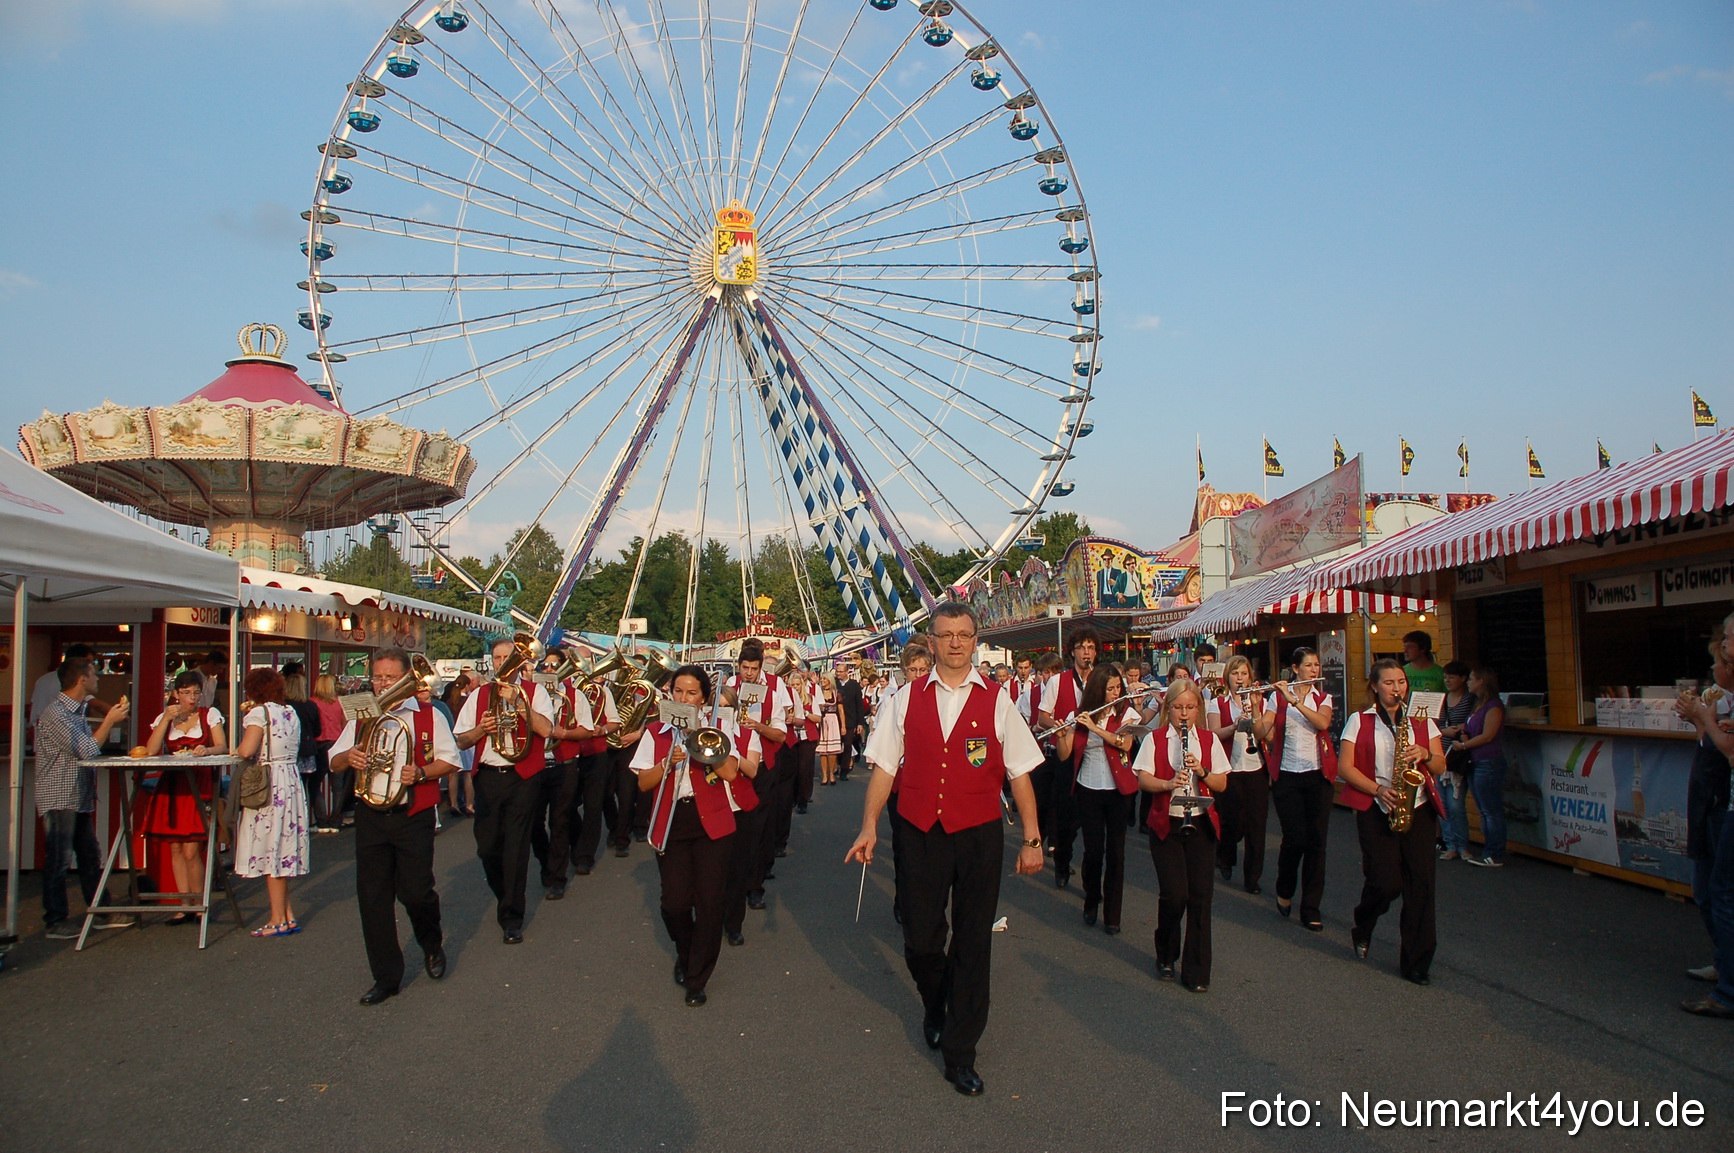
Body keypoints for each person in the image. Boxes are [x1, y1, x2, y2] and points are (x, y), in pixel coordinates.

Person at [846, 602, 1045, 1098]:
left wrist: (1032, 838)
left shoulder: (998, 700)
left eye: (964, 634)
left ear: (975, 641)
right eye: (946, 634)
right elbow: (884, 767)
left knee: (973, 941)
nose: (956, 642)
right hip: (920, 831)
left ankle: (961, 1052)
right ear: (931, 641)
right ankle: (935, 1004)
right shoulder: (904, 698)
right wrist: (869, 825)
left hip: (978, 834)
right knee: (921, 940)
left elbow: (1020, 772)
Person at [329, 648, 462, 1005]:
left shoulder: (428, 714)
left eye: (390, 677)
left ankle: (431, 943)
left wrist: (421, 772)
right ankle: (386, 977)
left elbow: (450, 761)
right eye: (378, 677)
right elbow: (335, 761)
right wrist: (349, 757)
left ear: (406, 678)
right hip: (371, 815)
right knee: (373, 898)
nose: (383, 684)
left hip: (411, 814)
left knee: (416, 892)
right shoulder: (363, 714)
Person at [632, 665, 742, 1007]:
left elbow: (731, 773)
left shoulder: (719, 727)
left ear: (703, 698)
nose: (683, 698)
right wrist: (666, 763)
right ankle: (686, 952)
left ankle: (697, 977)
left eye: (692, 693)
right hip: (672, 821)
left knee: (710, 903)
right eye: (678, 691)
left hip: (712, 822)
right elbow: (643, 783)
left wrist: (700, 740)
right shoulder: (656, 731)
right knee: (675, 903)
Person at [1338, 659, 1446, 985]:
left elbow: (1440, 765)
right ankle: (1364, 921)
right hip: (1377, 807)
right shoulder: (1360, 720)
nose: (1396, 689)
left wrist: (1425, 754)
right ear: (1374, 686)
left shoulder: (1421, 721)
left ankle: (1416, 963)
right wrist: (1378, 790)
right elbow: (1345, 768)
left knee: (1421, 885)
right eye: (1388, 683)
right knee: (1385, 883)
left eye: (1401, 682)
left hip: (1419, 808)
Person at [454, 638, 555, 944]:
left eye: (507, 657)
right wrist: (481, 730)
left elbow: (547, 730)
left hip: (523, 776)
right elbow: (461, 740)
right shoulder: (479, 695)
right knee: (487, 847)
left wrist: (520, 705)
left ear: (520, 661)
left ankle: (511, 917)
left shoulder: (535, 692)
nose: (502, 663)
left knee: (516, 846)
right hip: (488, 777)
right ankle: (505, 895)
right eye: (497, 658)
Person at [1136, 679, 1229, 991]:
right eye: (1178, 707)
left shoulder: (1208, 740)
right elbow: (1143, 780)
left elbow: (1221, 784)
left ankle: (1197, 973)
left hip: (1201, 824)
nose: (1184, 713)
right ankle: (1166, 952)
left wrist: (1202, 771)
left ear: (1198, 709)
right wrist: (1168, 783)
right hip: (1168, 824)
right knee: (1175, 895)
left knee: (1201, 898)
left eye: (1190, 707)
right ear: (1168, 708)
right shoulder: (1156, 739)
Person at [36, 657, 133, 938]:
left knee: (90, 855)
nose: (98, 678)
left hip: (76, 794)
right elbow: (87, 749)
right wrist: (110, 721)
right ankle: (55, 920)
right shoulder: (57, 714)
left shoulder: (75, 711)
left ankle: (100, 909)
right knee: (59, 858)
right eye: (94, 674)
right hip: (59, 795)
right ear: (82, 679)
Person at [1253, 647, 1334, 932]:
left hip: (1318, 776)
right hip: (1287, 775)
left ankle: (1311, 907)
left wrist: (1296, 702)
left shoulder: (1323, 698)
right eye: (1308, 665)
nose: (1314, 670)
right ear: (1295, 669)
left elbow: (1323, 723)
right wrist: (1256, 707)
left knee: (1317, 843)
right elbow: (1262, 732)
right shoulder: (1277, 697)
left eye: (1316, 665)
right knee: (1294, 839)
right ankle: (1285, 888)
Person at [1057, 662, 1139, 934]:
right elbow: (1065, 755)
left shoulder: (1127, 712)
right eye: (1110, 689)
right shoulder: (1079, 714)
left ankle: (1113, 915)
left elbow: (1124, 743)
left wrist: (1095, 728)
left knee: (1116, 852)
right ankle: (1091, 899)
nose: (1116, 693)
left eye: (1118, 688)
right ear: (1097, 690)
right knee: (1093, 851)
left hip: (1118, 791)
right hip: (1088, 788)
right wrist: (1063, 735)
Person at [1677, 631, 1734, 1018]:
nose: (1713, 667)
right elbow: (1711, 744)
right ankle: (1724, 962)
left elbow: (1727, 751)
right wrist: (1699, 721)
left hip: (1721, 803)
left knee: (1722, 892)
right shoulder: (1719, 701)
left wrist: (1702, 717)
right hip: (1709, 800)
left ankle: (1728, 986)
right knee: (1708, 888)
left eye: (1719, 659)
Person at [140, 670, 226, 923]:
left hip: (199, 784)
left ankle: (199, 903)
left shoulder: (209, 715)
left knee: (191, 849)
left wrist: (207, 750)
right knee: (175, 847)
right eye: (187, 693)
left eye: (196, 693)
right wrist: (166, 719)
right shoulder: (165, 718)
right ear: (176, 694)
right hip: (172, 784)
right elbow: (151, 750)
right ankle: (184, 903)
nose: (192, 698)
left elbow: (222, 746)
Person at [234, 667, 311, 938]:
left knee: (271, 849)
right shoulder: (290, 712)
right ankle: (287, 915)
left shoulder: (259, 713)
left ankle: (277, 919)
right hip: (290, 780)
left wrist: (236, 749)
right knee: (283, 848)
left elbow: (247, 750)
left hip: (269, 783)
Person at [726, 640, 790, 915]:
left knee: (758, 828)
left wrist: (758, 727)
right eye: (745, 668)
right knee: (733, 827)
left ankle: (754, 887)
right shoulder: (729, 686)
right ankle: (732, 883)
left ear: (761, 667)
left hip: (762, 766)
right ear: (738, 666)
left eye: (753, 669)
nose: (749, 673)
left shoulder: (774, 690)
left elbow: (781, 734)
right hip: (732, 765)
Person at [1036, 626, 1098, 890]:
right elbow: (1042, 717)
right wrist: (1061, 726)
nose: (1086, 652)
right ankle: (1062, 862)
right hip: (1065, 754)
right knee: (1065, 817)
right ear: (1072, 652)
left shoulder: (1101, 679)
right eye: (1082, 647)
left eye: (1091, 647)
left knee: (1089, 819)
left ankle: (1090, 876)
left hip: (1094, 753)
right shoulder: (1057, 682)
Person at [536, 665, 604, 901]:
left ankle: (557, 877)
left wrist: (563, 734)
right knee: (533, 824)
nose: (550, 669)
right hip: (535, 766)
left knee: (560, 822)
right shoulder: (531, 694)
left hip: (564, 765)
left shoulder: (575, 696)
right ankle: (547, 863)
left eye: (556, 666)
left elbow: (586, 730)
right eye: (546, 665)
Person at [1206, 655, 1269, 895]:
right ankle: (1225, 855)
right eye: (1235, 674)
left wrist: (1255, 710)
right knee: (1232, 821)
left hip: (1255, 768)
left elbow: (1263, 734)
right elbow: (1213, 734)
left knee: (1257, 826)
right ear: (1227, 678)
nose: (1239, 679)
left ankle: (1252, 878)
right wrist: (1234, 725)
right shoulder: (1218, 703)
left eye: (1244, 674)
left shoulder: (1259, 701)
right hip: (1229, 769)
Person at [565, 671, 620, 873]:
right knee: (567, 806)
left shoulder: (602, 691)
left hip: (595, 754)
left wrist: (603, 730)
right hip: (568, 754)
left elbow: (614, 721)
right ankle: (577, 843)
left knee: (593, 806)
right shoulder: (562, 691)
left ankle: (585, 856)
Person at [1455, 665, 1508, 867]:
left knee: (1491, 810)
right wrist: (1463, 733)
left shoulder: (1494, 706)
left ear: (1481, 681)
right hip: (1475, 760)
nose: (1468, 683)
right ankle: (1489, 849)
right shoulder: (1478, 705)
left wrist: (1464, 745)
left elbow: (1488, 735)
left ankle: (1495, 853)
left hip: (1488, 761)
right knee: (1483, 809)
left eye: (1471, 679)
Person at [1433, 661, 1476, 861]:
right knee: (1442, 804)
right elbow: (1433, 726)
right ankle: (1450, 845)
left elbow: (1475, 722)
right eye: (1445, 676)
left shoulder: (1470, 699)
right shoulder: (1442, 699)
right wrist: (1444, 731)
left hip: (1458, 757)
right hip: (1441, 755)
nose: (1447, 680)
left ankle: (1463, 846)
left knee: (1456, 805)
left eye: (1451, 676)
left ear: (1463, 678)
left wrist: (1462, 729)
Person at [312, 673, 350, 832]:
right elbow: (345, 725)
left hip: (320, 744)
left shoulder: (313, 703)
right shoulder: (340, 703)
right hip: (337, 743)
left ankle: (321, 821)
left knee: (315, 785)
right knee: (338, 786)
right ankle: (336, 820)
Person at [440, 675, 478, 818]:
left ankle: (454, 804)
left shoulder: (449, 701)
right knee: (468, 774)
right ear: (466, 686)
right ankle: (469, 805)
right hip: (466, 738)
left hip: (452, 739)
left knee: (453, 774)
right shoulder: (467, 701)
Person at [837, 662, 865, 782]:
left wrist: (860, 723)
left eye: (841, 671)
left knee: (847, 745)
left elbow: (859, 705)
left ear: (846, 672)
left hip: (850, 720)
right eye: (837, 671)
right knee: (837, 745)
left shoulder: (854, 685)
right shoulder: (835, 684)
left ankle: (844, 770)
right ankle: (837, 765)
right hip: (836, 720)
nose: (838, 674)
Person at [816, 674, 844, 786]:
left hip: (833, 720)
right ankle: (824, 775)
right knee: (822, 751)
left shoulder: (836, 693)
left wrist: (843, 726)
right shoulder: (818, 693)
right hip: (821, 721)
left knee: (833, 750)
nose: (822, 680)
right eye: (821, 679)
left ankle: (832, 773)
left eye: (824, 678)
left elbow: (841, 710)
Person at [1401, 631, 1446, 696]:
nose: (1405, 651)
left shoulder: (1440, 673)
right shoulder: (1401, 672)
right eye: (1404, 647)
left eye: (1410, 647)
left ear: (1423, 648)